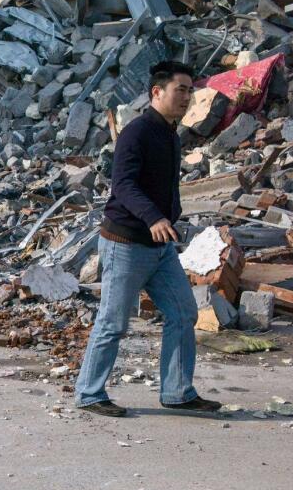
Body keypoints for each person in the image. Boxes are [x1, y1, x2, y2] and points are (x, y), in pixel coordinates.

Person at [74, 60, 221, 417]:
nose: (187, 97)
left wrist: (170, 217)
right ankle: (90, 394)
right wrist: (154, 217)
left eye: (190, 90)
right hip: (126, 244)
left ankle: (177, 392)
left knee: (183, 313)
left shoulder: (170, 133)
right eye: (180, 90)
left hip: (160, 247)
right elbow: (122, 185)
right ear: (157, 92)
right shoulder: (136, 132)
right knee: (113, 322)